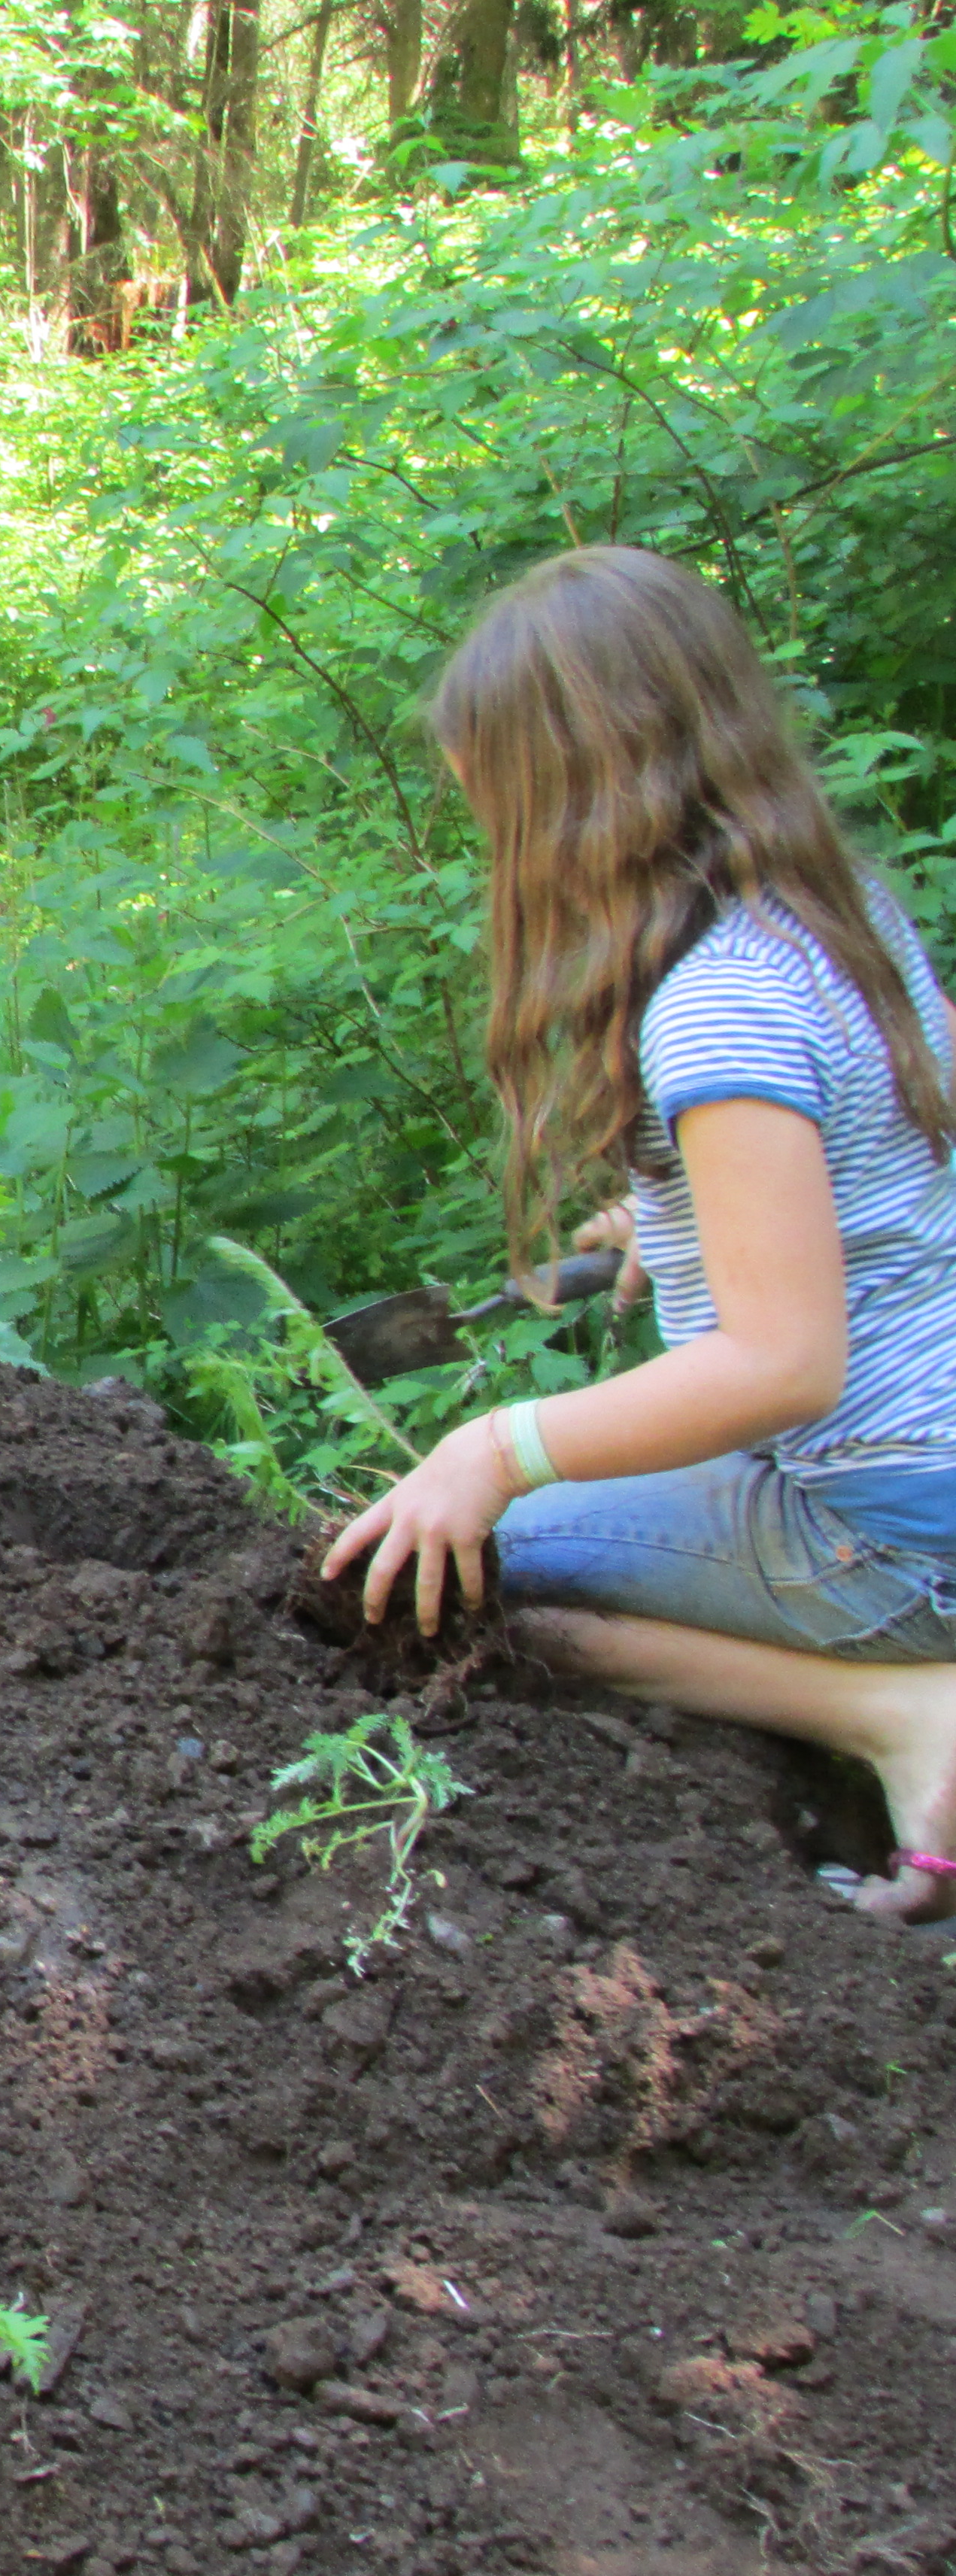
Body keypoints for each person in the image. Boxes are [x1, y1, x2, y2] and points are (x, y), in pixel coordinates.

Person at [329, 545, 956, 1921]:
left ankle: (912, 1717)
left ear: (580, 796)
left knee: (452, 1584)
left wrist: (492, 1449)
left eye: (501, 808)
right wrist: (674, 1227)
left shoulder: (716, 1007)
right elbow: (905, 1156)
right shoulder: (834, 920)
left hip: (895, 1528)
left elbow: (782, 1365)